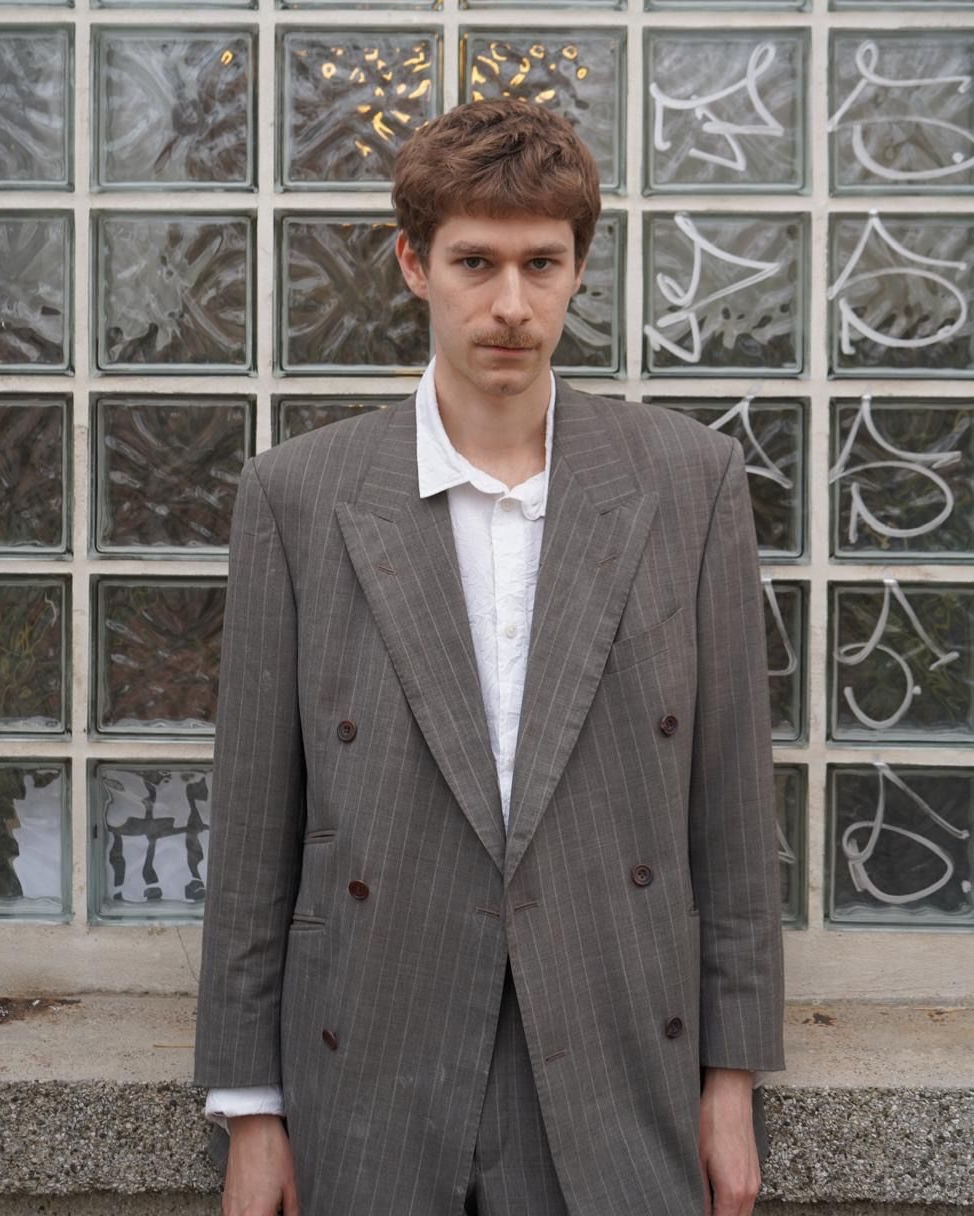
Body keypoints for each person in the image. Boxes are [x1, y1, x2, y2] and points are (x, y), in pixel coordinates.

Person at [193, 97, 785, 1216]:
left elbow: (732, 812)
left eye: (540, 264)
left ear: (577, 270)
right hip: (371, 1059)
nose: (510, 304)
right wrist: (252, 1107)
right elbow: (256, 820)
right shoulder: (297, 495)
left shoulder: (687, 482)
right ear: (414, 264)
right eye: (475, 262)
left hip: (618, 1059)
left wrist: (731, 1082)